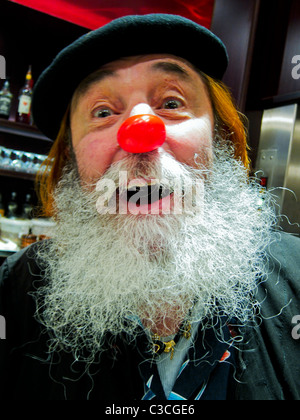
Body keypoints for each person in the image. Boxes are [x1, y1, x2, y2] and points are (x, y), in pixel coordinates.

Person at [0, 14, 299, 401]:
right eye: (103, 112)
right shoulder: (14, 291)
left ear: (219, 138)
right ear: (71, 162)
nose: (140, 133)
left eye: (171, 103)